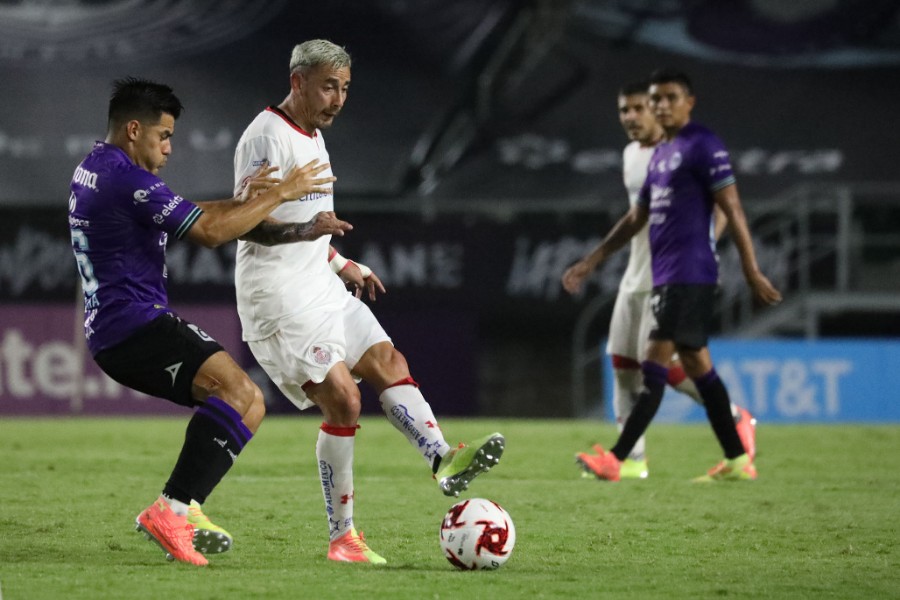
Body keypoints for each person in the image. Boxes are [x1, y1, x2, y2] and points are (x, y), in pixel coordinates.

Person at [231, 39, 504, 564]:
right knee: (344, 400)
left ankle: (443, 458)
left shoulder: (312, 135)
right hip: (279, 301)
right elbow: (246, 223)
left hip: (319, 284)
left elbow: (312, 226)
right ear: (298, 83)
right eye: (328, 87)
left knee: (387, 361)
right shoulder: (266, 137)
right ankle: (343, 539)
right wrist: (312, 230)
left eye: (345, 88)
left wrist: (339, 262)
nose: (338, 99)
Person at [68, 77, 348, 566]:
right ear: (134, 130)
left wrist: (247, 203)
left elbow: (195, 213)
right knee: (241, 395)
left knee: (247, 405)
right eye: (164, 136)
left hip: (117, 328)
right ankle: (172, 508)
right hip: (133, 325)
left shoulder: (97, 167)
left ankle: (184, 504)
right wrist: (283, 190)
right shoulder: (126, 179)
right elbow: (209, 232)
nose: (170, 148)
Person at [561, 68, 781, 482]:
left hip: (685, 275)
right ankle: (736, 454)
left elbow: (729, 207)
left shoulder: (700, 145)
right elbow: (636, 217)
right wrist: (592, 260)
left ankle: (622, 458)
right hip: (655, 275)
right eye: (633, 106)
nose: (644, 112)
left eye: (658, 101)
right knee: (683, 364)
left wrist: (747, 268)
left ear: (687, 102)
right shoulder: (650, 156)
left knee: (655, 368)